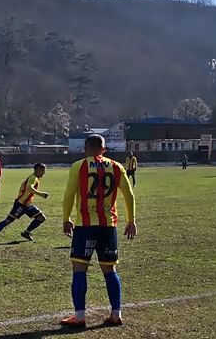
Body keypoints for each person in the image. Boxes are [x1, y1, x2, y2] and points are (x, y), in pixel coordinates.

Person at [60, 134, 137, 328]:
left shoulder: (78, 166)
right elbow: (129, 195)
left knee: (79, 269)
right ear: (104, 149)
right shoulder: (116, 166)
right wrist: (131, 221)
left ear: (85, 149)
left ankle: (79, 316)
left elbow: (69, 194)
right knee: (110, 270)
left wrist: (66, 219)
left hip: (85, 226)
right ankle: (116, 314)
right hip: (108, 227)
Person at [0, 163, 49, 244]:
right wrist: (41, 194)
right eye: (43, 170)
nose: (44, 173)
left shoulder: (34, 177)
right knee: (7, 221)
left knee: (41, 218)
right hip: (20, 205)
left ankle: (26, 232)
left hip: (27, 205)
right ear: (38, 170)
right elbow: (29, 188)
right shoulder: (33, 178)